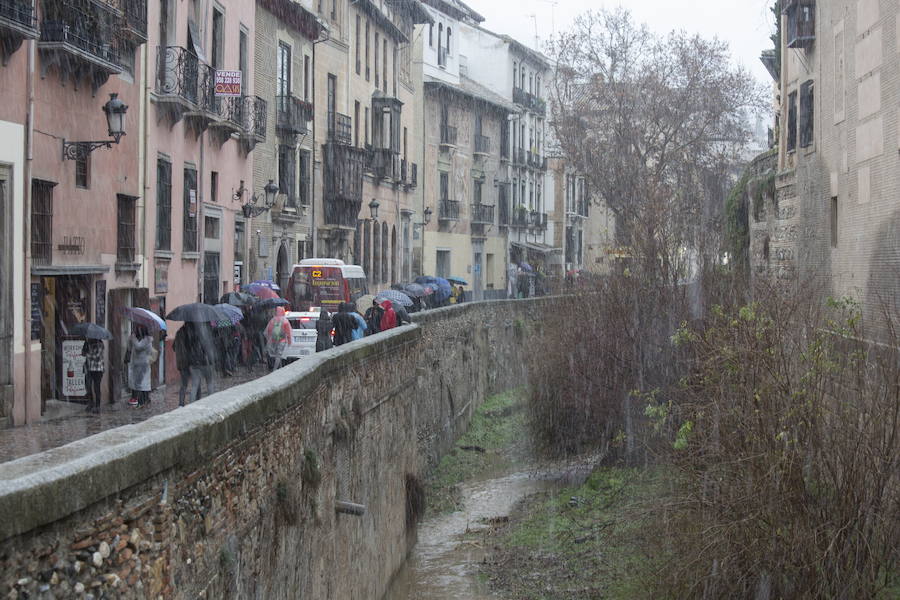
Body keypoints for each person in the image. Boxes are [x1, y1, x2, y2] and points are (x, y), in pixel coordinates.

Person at [190, 323, 217, 402]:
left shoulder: (193, 336)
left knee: (195, 385)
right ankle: (211, 402)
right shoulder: (209, 336)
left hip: (195, 362)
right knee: (210, 382)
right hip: (207, 363)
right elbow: (211, 350)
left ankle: (191, 404)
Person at [127, 326, 153, 408]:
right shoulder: (139, 339)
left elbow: (138, 347)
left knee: (142, 384)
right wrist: (130, 339)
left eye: (139, 329)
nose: (137, 331)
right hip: (136, 364)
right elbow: (130, 347)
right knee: (136, 383)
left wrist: (133, 338)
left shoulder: (147, 339)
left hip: (143, 365)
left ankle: (142, 401)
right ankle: (139, 400)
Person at [81, 338, 105, 413]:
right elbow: (82, 353)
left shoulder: (100, 344)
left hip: (97, 369)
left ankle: (97, 405)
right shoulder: (87, 343)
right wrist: (85, 349)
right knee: (88, 386)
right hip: (88, 368)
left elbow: (96, 356)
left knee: (96, 387)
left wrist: (87, 354)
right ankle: (90, 403)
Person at [173, 323, 193, 407]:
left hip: (181, 362)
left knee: (183, 384)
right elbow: (192, 348)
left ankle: (181, 404)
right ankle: (196, 401)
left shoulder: (178, 332)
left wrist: (180, 352)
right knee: (196, 383)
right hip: (189, 362)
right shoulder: (190, 333)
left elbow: (173, 347)